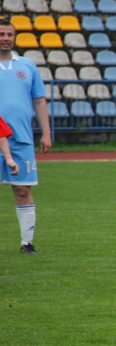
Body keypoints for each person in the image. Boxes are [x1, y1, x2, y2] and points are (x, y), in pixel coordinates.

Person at [0, 18, 52, 255]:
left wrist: (46, 133)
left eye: (9, 34)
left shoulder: (28, 65)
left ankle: (26, 243)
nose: (5, 38)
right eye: (1, 34)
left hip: (21, 139)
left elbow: (39, 100)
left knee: (22, 189)